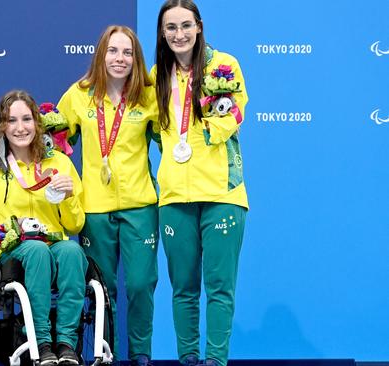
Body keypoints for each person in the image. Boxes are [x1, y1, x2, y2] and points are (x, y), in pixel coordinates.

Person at [152, 1, 249, 366]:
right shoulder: (155, 77)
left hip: (222, 193)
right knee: (184, 290)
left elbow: (235, 114)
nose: (179, 34)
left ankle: (216, 361)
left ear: (199, 26)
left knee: (220, 290)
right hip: (175, 197)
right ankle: (188, 359)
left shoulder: (224, 66)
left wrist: (205, 133)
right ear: (162, 33)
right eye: (171, 28)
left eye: (185, 26)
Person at [56, 25, 159, 366]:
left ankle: (141, 353)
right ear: (101, 55)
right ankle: (106, 352)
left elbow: (172, 139)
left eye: (127, 52)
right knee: (103, 288)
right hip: (95, 208)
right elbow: (56, 143)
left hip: (141, 206)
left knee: (142, 284)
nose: (120, 59)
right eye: (113, 51)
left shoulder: (148, 96)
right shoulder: (78, 94)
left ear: (136, 58)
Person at [0, 90, 87, 366]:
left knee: (72, 252)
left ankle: (67, 343)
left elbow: (75, 224)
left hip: (54, 243)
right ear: (1, 125)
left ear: (37, 123)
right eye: (12, 120)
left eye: (26, 119)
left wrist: (70, 198)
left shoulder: (59, 162)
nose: (20, 127)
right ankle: (42, 340)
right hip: (16, 249)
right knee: (36, 251)